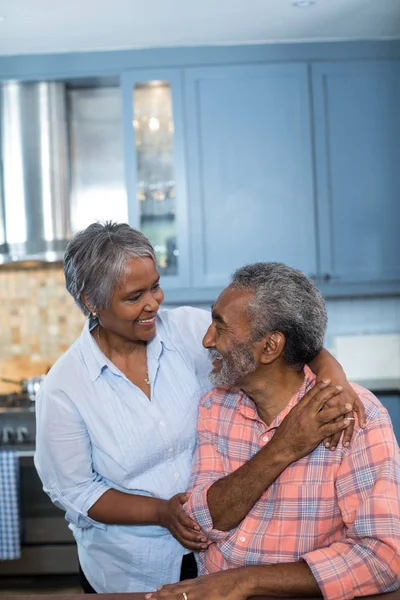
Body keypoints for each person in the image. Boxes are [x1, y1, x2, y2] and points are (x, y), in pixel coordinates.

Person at [34, 223, 364, 594]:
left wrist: (335, 380)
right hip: (131, 568)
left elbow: (281, 338)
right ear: (91, 301)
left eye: (155, 286)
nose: (153, 303)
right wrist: (161, 512)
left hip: (219, 552)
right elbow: (76, 491)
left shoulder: (186, 330)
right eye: (134, 297)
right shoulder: (65, 388)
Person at [147, 263, 400, 600]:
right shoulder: (215, 406)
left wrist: (242, 581)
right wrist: (283, 446)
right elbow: (200, 524)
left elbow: (384, 557)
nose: (207, 339)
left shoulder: (354, 415)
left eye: (220, 327)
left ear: (269, 348)